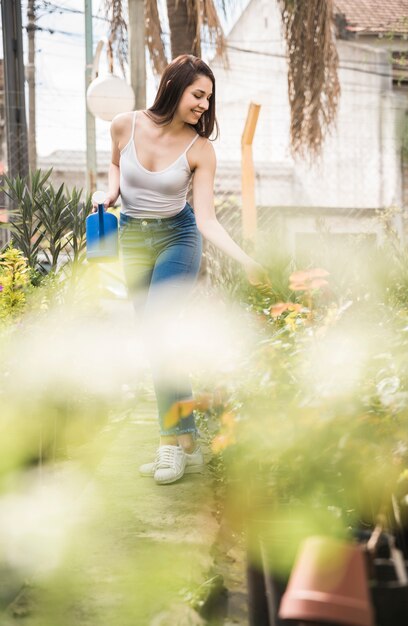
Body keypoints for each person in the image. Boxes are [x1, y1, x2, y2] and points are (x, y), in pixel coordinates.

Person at [98, 54, 269, 486]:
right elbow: (117, 165)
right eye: (198, 94)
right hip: (133, 239)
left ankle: (168, 446)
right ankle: (189, 441)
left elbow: (208, 219)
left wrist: (247, 260)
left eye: (208, 99)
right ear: (174, 85)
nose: (204, 106)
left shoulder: (201, 150)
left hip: (179, 237)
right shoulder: (124, 125)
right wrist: (111, 192)